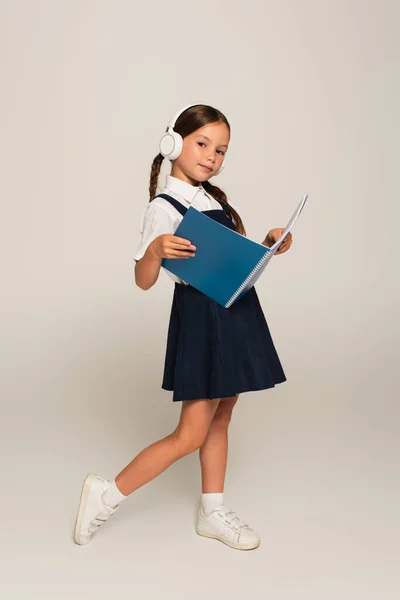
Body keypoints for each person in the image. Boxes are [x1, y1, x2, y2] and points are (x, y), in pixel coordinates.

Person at [74, 104, 293, 551]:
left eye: (221, 150)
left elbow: (231, 263)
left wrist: (268, 246)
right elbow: (143, 280)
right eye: (202, 144)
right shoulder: (162, 206)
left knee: (223, 412)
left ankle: (212, 509)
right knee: (189, 434)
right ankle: (106, 494)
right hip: (202, 320)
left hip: (233, 310)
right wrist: (155, 249)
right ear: (173, 142)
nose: (211, 157)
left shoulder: (214, 200)